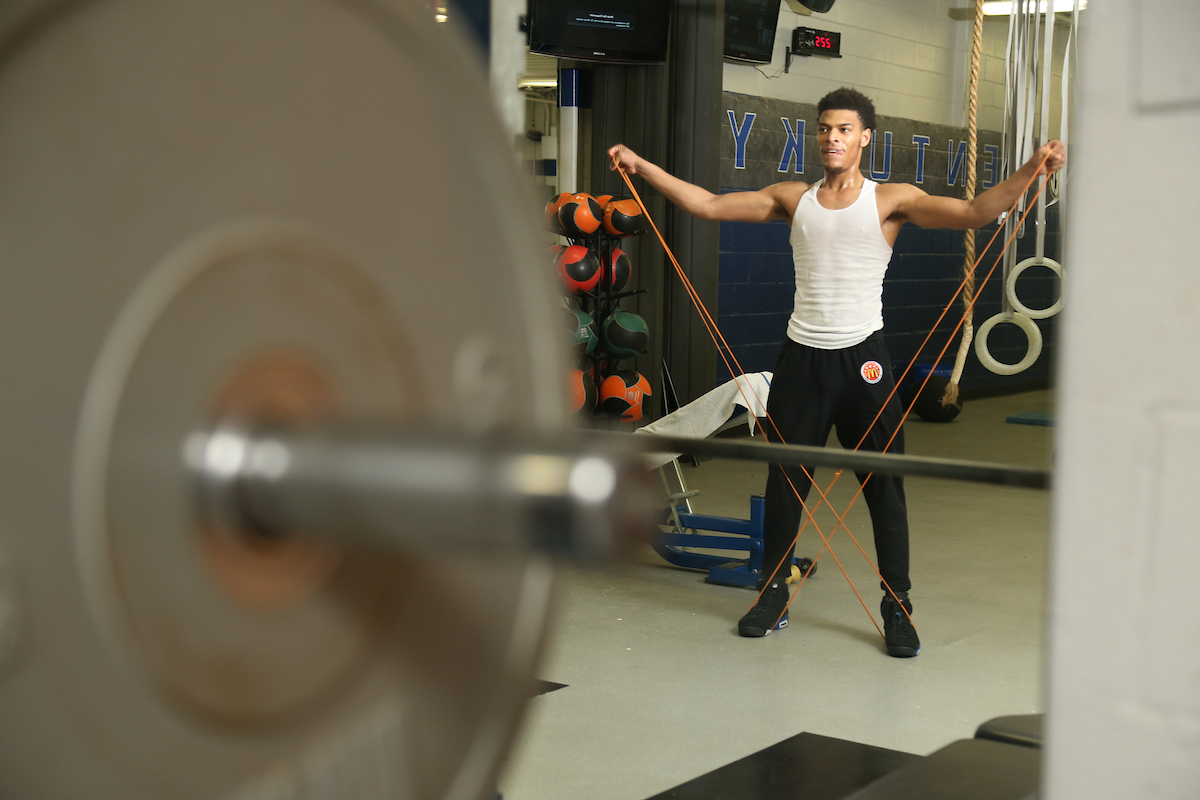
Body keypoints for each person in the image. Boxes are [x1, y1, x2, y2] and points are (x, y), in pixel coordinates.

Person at [608, 87, 1065, 658]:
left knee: (884, 489)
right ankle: (771, 593)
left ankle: (897, 606)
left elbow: (975, 212)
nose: (832, 137)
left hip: (864, 362)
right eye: (825, 128)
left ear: (865, 137)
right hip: (801, 358)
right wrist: (640, 165)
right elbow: (706, 204)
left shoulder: (890, 200)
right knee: (785, 482)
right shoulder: (791, 198)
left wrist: (1032, 168)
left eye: (844, 129)